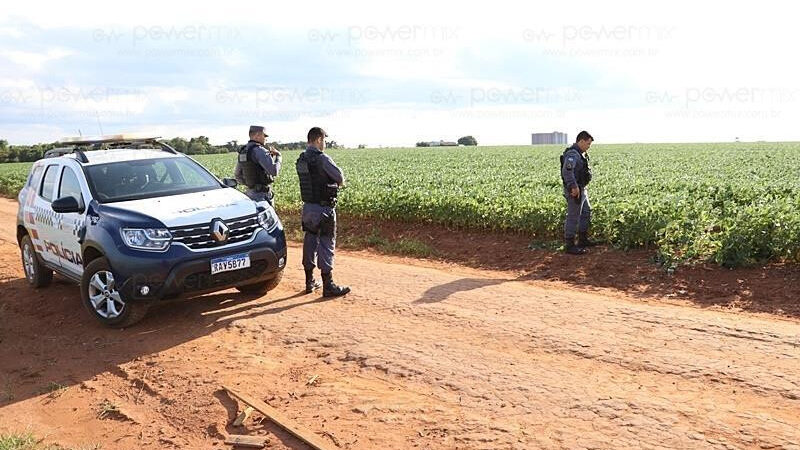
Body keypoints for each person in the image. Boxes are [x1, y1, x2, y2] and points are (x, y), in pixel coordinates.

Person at [296, 127, 350, 297]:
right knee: (326, 244)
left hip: (308, 208)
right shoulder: (323, 159)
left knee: (310, 242)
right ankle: (328, 285)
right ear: (318, 139)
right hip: (324, 209)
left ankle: (309, 281)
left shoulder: (301, 159)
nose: (325, 143)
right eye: (324, 140)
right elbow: (340, 179)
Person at [561, 130, 597, 255]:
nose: (588, 147)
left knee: (586, 211)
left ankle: (583, 239)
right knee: (573, 215)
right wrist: (574, 187)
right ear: (581, 141)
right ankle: (569, 245)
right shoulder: (573, 154)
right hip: (575, 190)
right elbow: (567, 172)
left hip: (581, 188)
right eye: (587, 144)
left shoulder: (579, 153)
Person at [234, 125, 281, 206]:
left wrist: (251, 185)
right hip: (262, 195)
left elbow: (237, 174)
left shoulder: (243, 151)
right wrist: (279, 157)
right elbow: (274, 171)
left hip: (250, 194)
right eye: (265, 135)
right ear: (257, 135)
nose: (266, 138)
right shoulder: (260, 150)